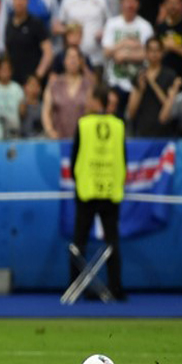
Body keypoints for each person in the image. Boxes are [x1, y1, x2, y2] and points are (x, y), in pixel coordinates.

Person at [70, 85, 126, 301]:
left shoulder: (83, 124)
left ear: (96, 101)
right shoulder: (118, 125)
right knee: (112, 242)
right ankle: (115, 288)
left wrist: (81, 179)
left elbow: (75, 158)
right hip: (110, 191)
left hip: (87, 190)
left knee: (79, 242)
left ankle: (76, 288)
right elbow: (123, 157)